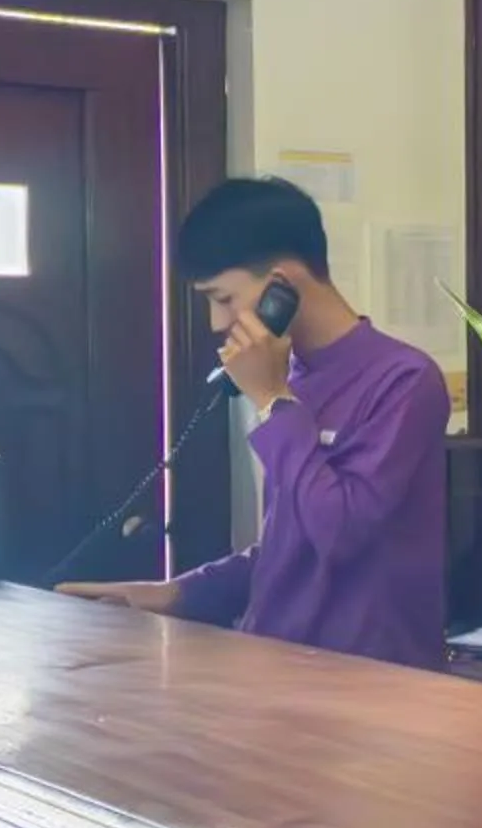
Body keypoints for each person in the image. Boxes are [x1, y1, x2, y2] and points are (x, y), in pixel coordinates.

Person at [60, 177, 450, 670]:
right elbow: (290, 544)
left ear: (281, 286)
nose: (217, 322)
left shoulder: (403, 379)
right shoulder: (288, 377)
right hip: (274, 663)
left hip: (368, 681)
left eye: (224, 298)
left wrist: (270, 400)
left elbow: (341, 532)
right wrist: (171, 593)